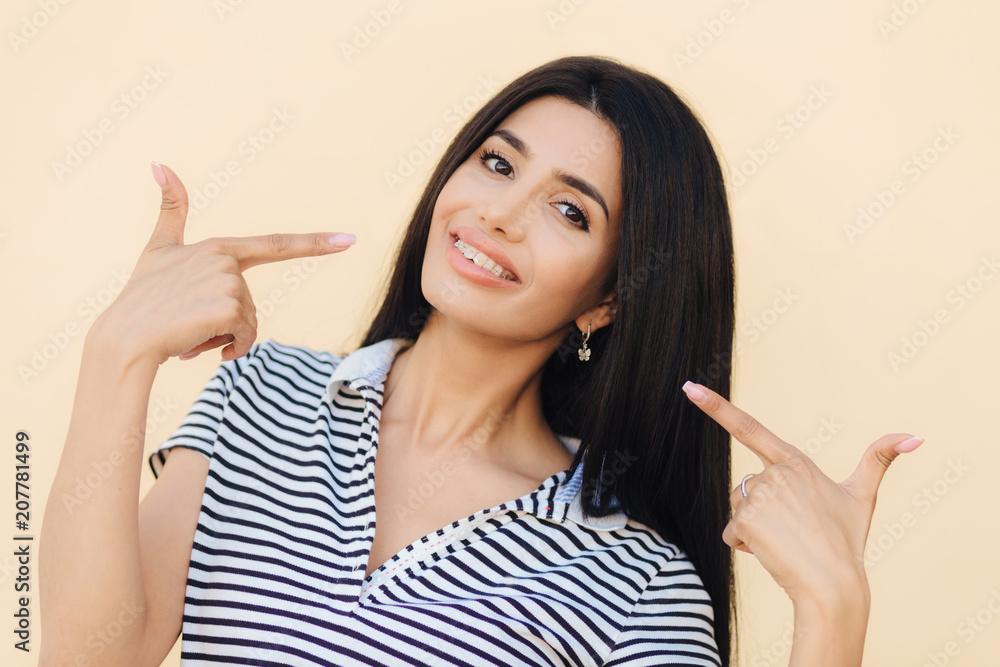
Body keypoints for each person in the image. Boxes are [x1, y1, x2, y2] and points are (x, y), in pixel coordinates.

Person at [39, 55, 922, 667]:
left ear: (608, 298)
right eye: (497, 162)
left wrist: (833, 612)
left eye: (569, 212)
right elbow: (90, 655)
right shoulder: (262, 394)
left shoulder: (636, 577)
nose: (498, 213)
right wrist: (117, 356)